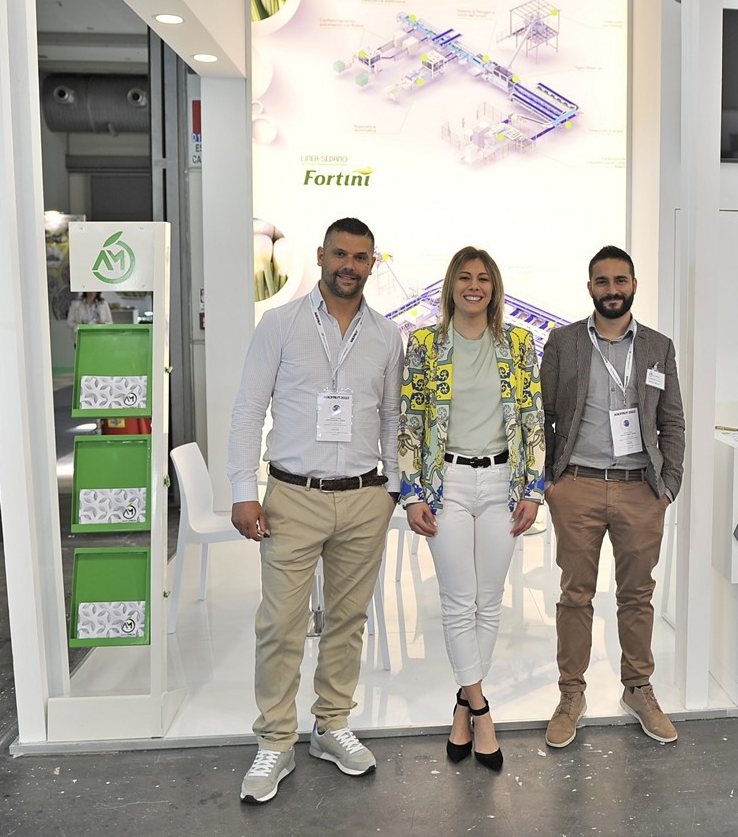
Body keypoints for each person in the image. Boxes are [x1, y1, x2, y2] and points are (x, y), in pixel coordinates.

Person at [227, 217, 404, 804]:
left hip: (363, 497)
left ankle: (331, 725)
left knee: (348, 622)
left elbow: (390, 417)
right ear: (322, 255)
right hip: (293, 496)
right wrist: (242, 488)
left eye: (361, 257)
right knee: (281, 624)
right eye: (340, 254)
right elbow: (249, 408)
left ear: (372, 264)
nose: (350, 266)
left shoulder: (387, 335)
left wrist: (392, 486)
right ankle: (276, 739)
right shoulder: (279, 325)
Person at [399, 246, 544, 773]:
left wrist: (533, 490)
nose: (474, 286)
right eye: (464, 277)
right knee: (459, 601)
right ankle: (482, 710)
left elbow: (533, 416)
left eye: (483, 278)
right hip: (448, 485)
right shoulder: (424, 345)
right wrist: (413, 493)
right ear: (451, 286)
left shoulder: (519, 344)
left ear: (495, 288)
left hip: (504, 482)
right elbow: (409, 419)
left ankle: (462, 702)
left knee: (489, 601)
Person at [541, 245, 686, 748]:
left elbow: (671, 421)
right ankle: (570, 695)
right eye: (602, 281)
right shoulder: (563, 343)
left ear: (634, 285)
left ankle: (638, 689)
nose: (612, 290)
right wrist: (550, 483)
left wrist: (669, 486)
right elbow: (543, 415)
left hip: (640, 489)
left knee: (637, 595)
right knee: (575, 596)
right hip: (577, 486)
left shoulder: (657, 347)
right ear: (590, 288)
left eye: (620, 280)